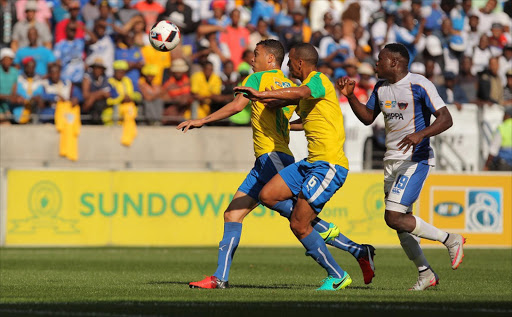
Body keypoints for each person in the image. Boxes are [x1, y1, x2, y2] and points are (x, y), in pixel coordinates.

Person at [178, 39, 375, 290]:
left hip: (273, 156)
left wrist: (202, 120)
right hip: (277, 158)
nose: (252, 59)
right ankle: (220, 277)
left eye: (256, 54)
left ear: (270, 59)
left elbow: (238, 105)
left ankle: (348, 256)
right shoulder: (291, 86)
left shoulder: (259, 80)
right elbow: (305, 117)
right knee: (233, 214)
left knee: (299, 219)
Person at [337, 43, 465, 291]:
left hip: (415, 159)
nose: (376, 64)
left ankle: (450, 239)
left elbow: (446, 118)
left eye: (380, 59)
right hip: (391, 160)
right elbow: (367, 118)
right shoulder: (381, 87)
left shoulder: (419, 84)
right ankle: (425, 273)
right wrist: (350, 96)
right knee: (400, 222)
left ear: (394, 62)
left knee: (393, 216)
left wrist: (421, 134)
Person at [484, 107, 512, 171]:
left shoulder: (502, 128)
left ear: (508, 115)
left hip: (505, 163)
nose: (503, 117)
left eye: (504, 114)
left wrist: (486, 165)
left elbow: (493, 150)